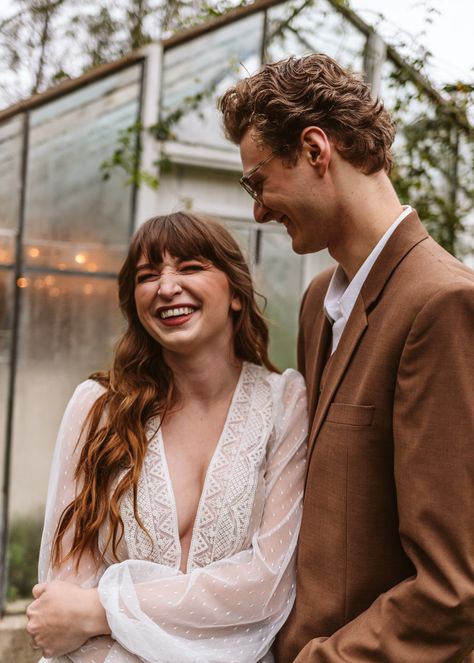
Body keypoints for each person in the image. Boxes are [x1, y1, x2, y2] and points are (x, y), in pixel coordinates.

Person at [219, 53, 474, 662]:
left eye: (257, 182)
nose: (257, 211)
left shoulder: (444, 304)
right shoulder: (316, 303)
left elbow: (453, 588)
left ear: (314, 150)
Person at [26, 212, 308, 663]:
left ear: (236, 294)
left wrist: (100, 610)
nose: (166, 286)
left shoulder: (285, 403)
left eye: (191, 267)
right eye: (147, 275)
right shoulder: (97, 407)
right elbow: (64, 595)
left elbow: (266, 586)